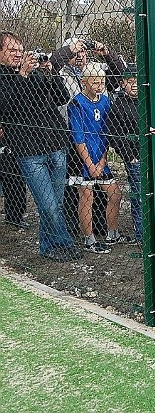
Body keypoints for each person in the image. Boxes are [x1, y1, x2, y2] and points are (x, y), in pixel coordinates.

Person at [0, 31, 81, 261]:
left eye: (19, 49)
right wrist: (22, 75)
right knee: (49, 205)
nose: (17, 54)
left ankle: (48, 247)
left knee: (55, 201)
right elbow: (6, 105)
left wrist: (50, 72)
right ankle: (64, 244)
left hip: (55, 143)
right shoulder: (7, 77)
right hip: (28, 150)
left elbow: (60, 97)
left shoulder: (34, 73)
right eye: (11, 50)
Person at [69, 62, 132, 253]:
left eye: (102, 81)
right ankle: (89, 239)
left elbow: (107, 133)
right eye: (95, 82)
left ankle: (112, 233)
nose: (100, 85)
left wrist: (101, 162)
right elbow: (78, 138)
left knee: (115, 193)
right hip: (82, 159)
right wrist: (90, 164)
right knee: (87, 195)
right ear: (84, 82)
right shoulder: (77, 103)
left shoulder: (105, 102)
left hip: (100, 156)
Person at [108, 65, 143, 243]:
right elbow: (115, 136)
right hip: (135, 157)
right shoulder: (118, 106)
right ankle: (142, 234)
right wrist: (130, 156)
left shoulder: (147, 100)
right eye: (130, 82)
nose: (134, 85)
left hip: (152, 155)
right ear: (123, 84)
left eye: (137, 81)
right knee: (139, 195)